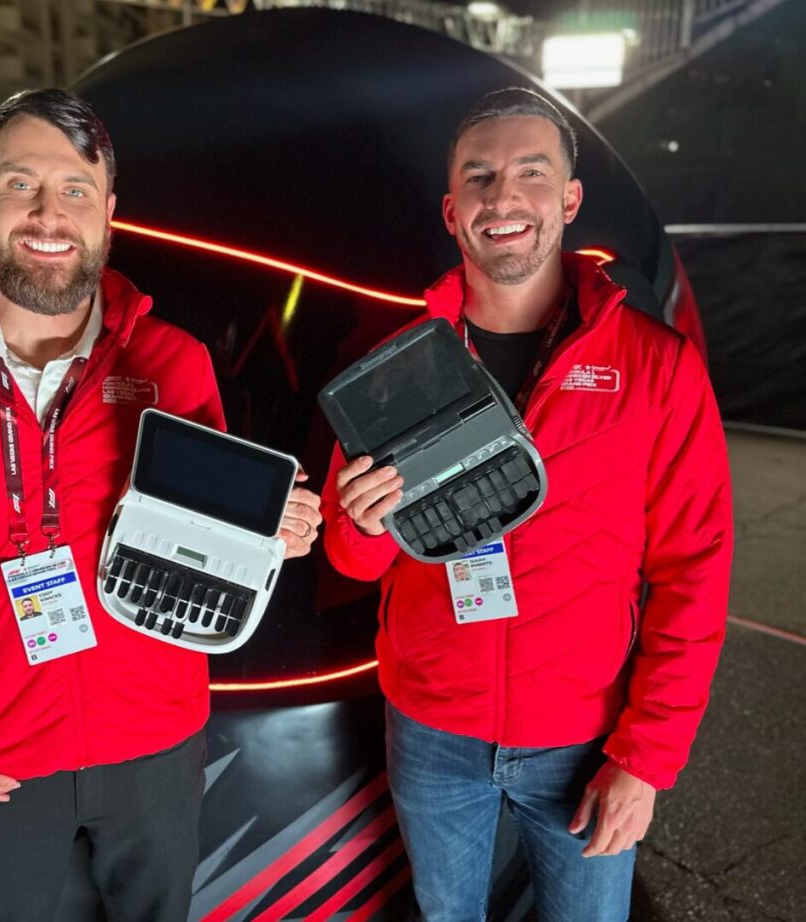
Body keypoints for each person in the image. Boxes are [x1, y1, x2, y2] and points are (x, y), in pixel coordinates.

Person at [0, 88, 321, 922]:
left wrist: (273, 538)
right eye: (21, 185)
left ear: (109, 211)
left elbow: (212, 540)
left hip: (157, 747)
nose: (49, 214)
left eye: (76, 190)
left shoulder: (173, 360)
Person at [322, 87, 732, 921]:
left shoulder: (656, 367)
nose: (501, 198)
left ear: (568, 200)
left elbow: (695, 573)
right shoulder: (395, 365)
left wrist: (647, 761)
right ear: (450, 209)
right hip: (431, 730)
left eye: (529, 174)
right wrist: (360, 525)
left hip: (584, 739)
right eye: (478, 177)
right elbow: (352, 557)